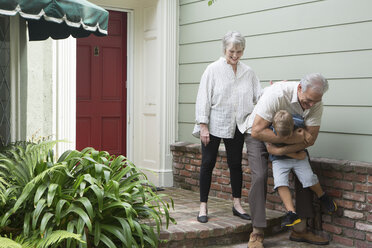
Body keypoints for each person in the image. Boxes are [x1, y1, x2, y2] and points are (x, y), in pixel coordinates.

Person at [245, 73, 331, 247]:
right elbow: (257, 131)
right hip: (258, 133)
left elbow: (310, 139)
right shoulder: (277, 94)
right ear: (299, 88)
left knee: (303, 171)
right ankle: (257, 232)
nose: (311, 105)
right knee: (260, 175)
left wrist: (280, 150)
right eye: (307, 101)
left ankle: (300, 230)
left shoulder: (315, 102)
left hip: (287, 137)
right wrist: (293, 140)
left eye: (315, 102)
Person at [192, 31, 262, 223]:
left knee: (235, 165)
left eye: (239, 51)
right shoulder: (212, 70)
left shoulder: (248, 72)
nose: (235, 55)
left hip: (238, 124)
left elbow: (259, 96)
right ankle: (203, 206)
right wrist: (203, 125)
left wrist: (272, 91)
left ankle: (237, 204)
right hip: (214, 123)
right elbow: (203, 99)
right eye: (232, 51)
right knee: (207, 164)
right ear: (225, 49)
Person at [269, 110, 337, 228]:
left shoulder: (299, 122)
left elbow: (308, 137)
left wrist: (305, 133)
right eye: (282, 136)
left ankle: (322, 195)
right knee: (280, 182)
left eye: (289, 135)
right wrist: (295, 155)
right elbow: (271, 149)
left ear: (293, 126)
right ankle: (291, 213)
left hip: (299, 156)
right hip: (280, 159)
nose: (286, 138)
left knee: (309, 178)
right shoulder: (270, 131)